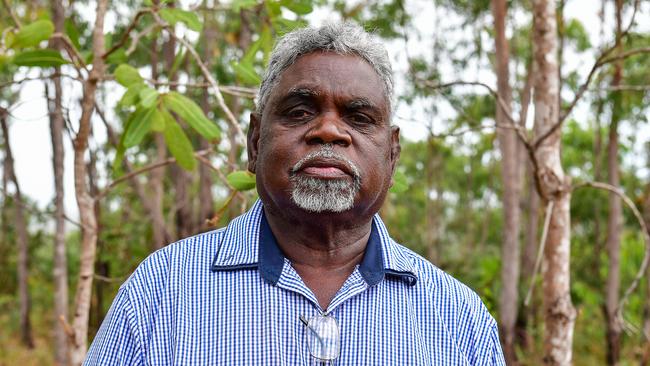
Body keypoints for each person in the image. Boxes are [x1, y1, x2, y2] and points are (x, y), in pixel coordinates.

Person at [85, 21, 505, 365]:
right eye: (300, 111)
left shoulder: (458, 319)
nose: (327, 131)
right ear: (255, 143)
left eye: (358, 118)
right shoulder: (160, 293)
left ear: (392, 156)